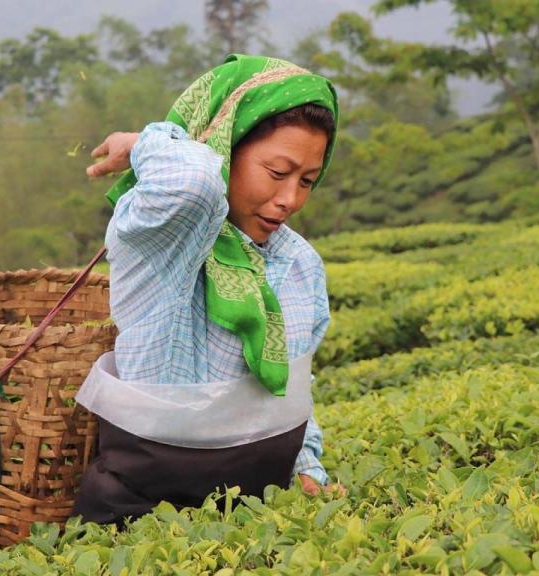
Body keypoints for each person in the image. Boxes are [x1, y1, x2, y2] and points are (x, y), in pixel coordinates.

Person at [71, 54, 345, 528]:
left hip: (251, 522)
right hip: (138, 525)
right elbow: (194, 184)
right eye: (277, 173)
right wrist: (143, 144)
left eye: (307, 181)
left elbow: (291, 391)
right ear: (226, 146)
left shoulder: (299, 265)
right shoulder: (164, 240)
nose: (290, 199)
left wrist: (307, 468)